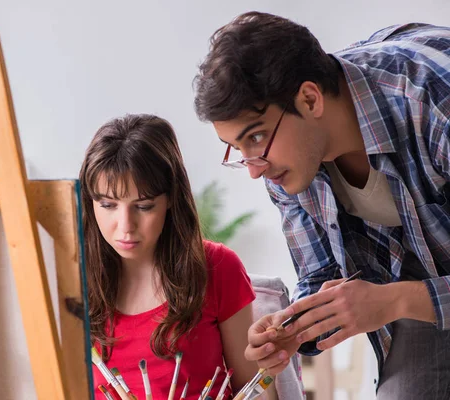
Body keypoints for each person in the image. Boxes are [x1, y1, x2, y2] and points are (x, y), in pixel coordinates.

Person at [193, 11, 450, 399]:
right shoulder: (285, 164)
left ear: (310, 99)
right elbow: (322, 276)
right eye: (239, 150)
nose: (253, 170)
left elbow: (392, 299)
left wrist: (395, 299)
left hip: (411, 295)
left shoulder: (431, 100)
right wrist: (292, 329)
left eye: (256, 137)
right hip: (421, 297)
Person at [79, 114, 261, 399]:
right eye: (108, 204)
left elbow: (255, 391)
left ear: (171, 200)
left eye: (144, 206)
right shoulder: (70, 281)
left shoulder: (218, 267)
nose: (125, 227)